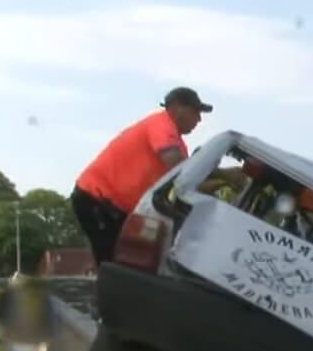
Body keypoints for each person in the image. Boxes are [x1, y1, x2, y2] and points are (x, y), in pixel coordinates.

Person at [70, 87, 213, 265]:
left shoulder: (177, 142)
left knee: (125, 263)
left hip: (115, 208)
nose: (199, 119)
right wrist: (216, 171)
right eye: (195, 112)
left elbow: (187, 181)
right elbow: (180, 169)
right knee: (114, 264)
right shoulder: (161, 124)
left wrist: (223, 180)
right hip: (97, 200)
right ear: (176, 108)